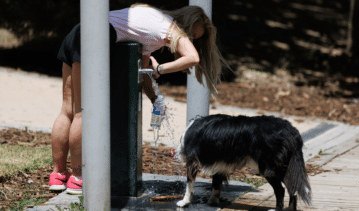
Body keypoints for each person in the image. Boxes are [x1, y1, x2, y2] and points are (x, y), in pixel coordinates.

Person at [49, 3, 229, 195]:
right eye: (192, 36)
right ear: (186, 26)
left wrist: (154, 99)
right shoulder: (169, 28)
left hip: (80, 31)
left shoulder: (152, 28)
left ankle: (58, 175)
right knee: (82, 113)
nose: (190, 41)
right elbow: (193, 58)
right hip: (94, 37)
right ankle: (77, 178)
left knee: (67, 110)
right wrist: (160, 69)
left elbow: (142, 74)